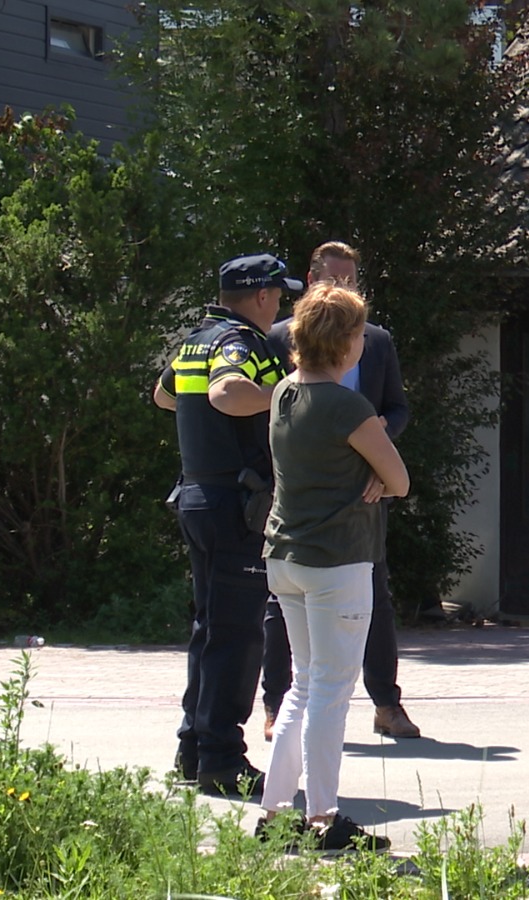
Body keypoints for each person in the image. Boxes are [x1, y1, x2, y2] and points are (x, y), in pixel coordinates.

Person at [255, 283, 409, 852]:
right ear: (346, 342)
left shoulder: (283, 394)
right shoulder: (350, 405)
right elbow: (399, 480)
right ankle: (324, 818)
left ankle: (275, 814)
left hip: (284, 557)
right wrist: (373, 474)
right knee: (331, 691)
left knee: (301, 685)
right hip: (338, 561)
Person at [153, 253, 302, 797]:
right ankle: (221, 759)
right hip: (233, 505)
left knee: (208, 628)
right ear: (261, 296)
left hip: (196, 495)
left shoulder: (196, 338)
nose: (281, 305)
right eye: (279, 296)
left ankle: (193, 749)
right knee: (237, 635)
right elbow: (226, 392)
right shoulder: (243, 343)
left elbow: (165, 394)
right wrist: (290, 397)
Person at [261, 241, 420, 742]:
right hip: (301, 501)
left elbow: (394, 411)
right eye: (333, 281)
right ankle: (275, 710)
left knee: (372, 606)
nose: (342, 289)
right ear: (311, 283)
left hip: (360, 503)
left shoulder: (376, 341)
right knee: (319, 682)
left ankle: (386, 703)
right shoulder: (277, 340)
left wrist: (376, 450)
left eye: (350, 281)